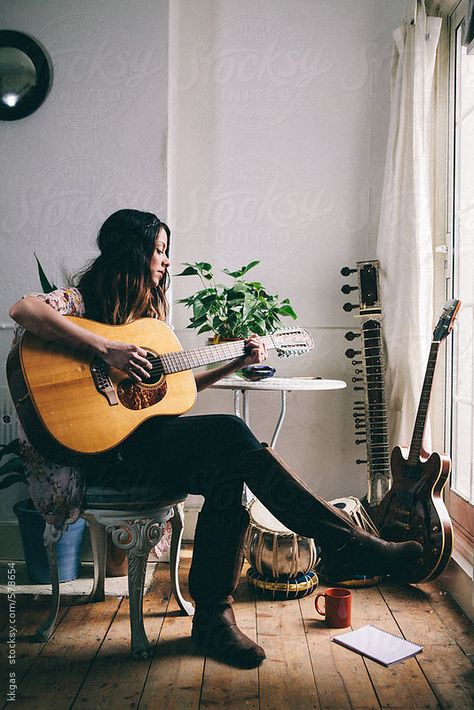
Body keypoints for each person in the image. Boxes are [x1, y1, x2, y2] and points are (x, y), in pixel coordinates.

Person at [9, 209, 422, 669]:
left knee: (230, 470)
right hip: (97, 455)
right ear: (133, 250)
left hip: (143, 445)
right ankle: (347, 543)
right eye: (159, 251)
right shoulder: (83, 301)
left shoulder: (148, 319)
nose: (166, 262)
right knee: (229, 432)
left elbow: (174, 393)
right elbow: (23, 310)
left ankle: (213, 619)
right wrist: (105, 348)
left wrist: (232, 365)